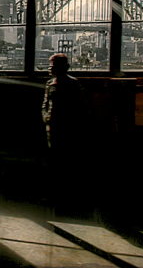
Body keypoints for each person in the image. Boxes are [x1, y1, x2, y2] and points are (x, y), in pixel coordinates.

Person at [41, 53, 91, 213]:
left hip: (66, 128)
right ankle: (55, 195)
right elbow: (45, 104)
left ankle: (63, 196)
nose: (50, 68)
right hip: (54, 126)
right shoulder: (51, 84)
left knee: (65, 161)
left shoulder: (72, 84)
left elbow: (80, 108)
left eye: (53, 65)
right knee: (54, 161)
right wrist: (46, 118)